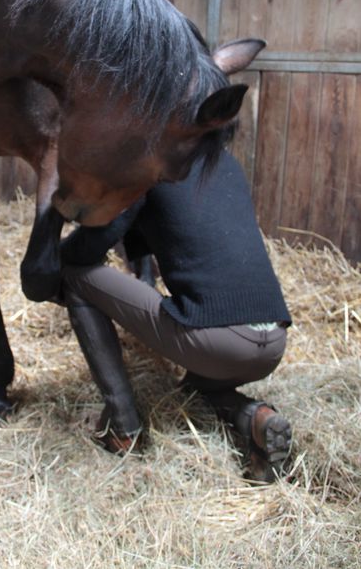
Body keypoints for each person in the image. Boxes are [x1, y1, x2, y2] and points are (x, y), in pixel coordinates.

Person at [57, 148, 292, 483]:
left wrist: (46, 259)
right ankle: (255, 417)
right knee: (194, 391)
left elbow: (87, 249)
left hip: (216, 342)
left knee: (76, 277)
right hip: (273, 343)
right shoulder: (225, 161)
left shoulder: (155, 162)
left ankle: (122, 427)